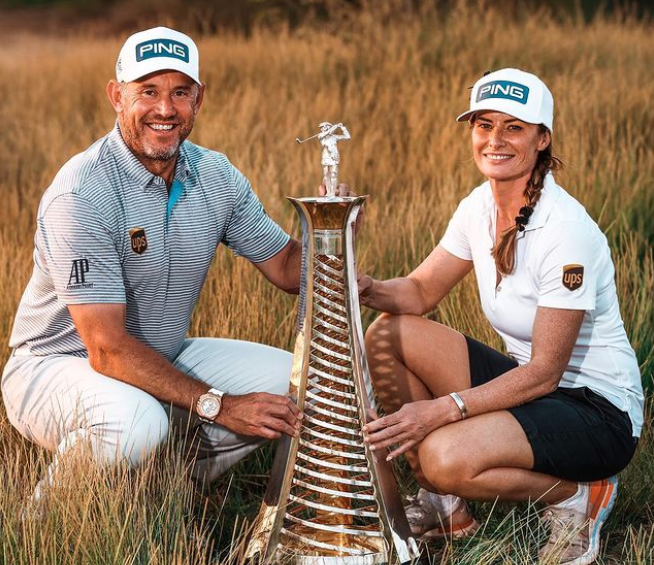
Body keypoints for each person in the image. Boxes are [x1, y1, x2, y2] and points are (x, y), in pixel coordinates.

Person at [0, 27, 347, 510]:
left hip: (158, 354)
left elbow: (289, 268)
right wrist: (221, 405)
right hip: (56, 366)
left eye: (179, 92)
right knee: (136, 424)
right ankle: (38, 524)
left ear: (198, 99)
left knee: (297, 388)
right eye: (148, 91)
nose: (165, 109)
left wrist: (329, 229)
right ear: (116, 96)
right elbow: (106, 349)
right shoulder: (80, 193)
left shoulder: (215, 175)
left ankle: (163, 492)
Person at [359, 68, 643, 565]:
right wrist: (364, 287)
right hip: (529, 385)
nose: (495, 140)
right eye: (483, 125)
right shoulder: (478, 206)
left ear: (541, 139)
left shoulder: (565, 230)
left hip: (596, 411)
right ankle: (444, 505)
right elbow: (422, 290)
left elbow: (546, 371)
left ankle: (576, 497)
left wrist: (444, 409)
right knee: (387, 336)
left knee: (442, 455)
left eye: (513, 127)